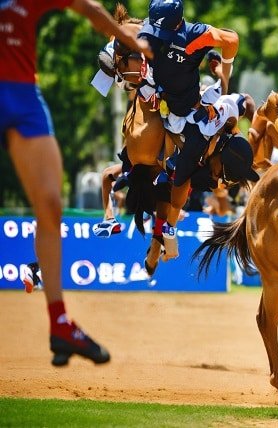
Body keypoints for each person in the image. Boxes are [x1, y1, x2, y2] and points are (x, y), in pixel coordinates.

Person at [1, 0, 151, 366]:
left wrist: (127, 38)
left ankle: (60, 324)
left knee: (50, 206)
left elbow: (88, 8)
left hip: (22, 97)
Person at [137, 0, 255, 262]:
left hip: (189, 111)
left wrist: (226, 66)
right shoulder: (149, 30)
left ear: (178, 23)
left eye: (164, 31)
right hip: (158, 96)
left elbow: (232, 39)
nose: (159, 37)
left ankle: (169, 226)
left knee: (185, 166)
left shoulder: (194, 34)